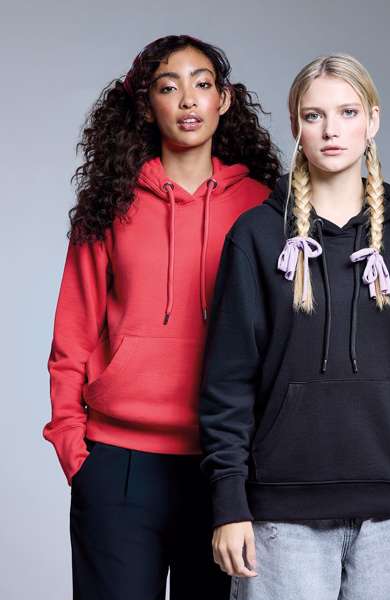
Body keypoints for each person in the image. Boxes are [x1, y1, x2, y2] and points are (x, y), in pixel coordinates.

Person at [198, 53, 390, 599]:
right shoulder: (256, 237)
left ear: (373, 120)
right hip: (280, 517)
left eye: (348, 112)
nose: (331, 130)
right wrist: (229, 502)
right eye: (314, 115)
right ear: (296, 125)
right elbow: (227, 383)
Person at [42, 34, 281, 600]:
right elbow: (72, 337)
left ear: (224, 100)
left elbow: (284, 336)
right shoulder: (112, 203)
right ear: (147, 106)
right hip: (118, 464)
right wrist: (75, 451)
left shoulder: (264, 207)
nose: (188, 100)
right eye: (168, 87)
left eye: (203, 84)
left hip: (227, 466)